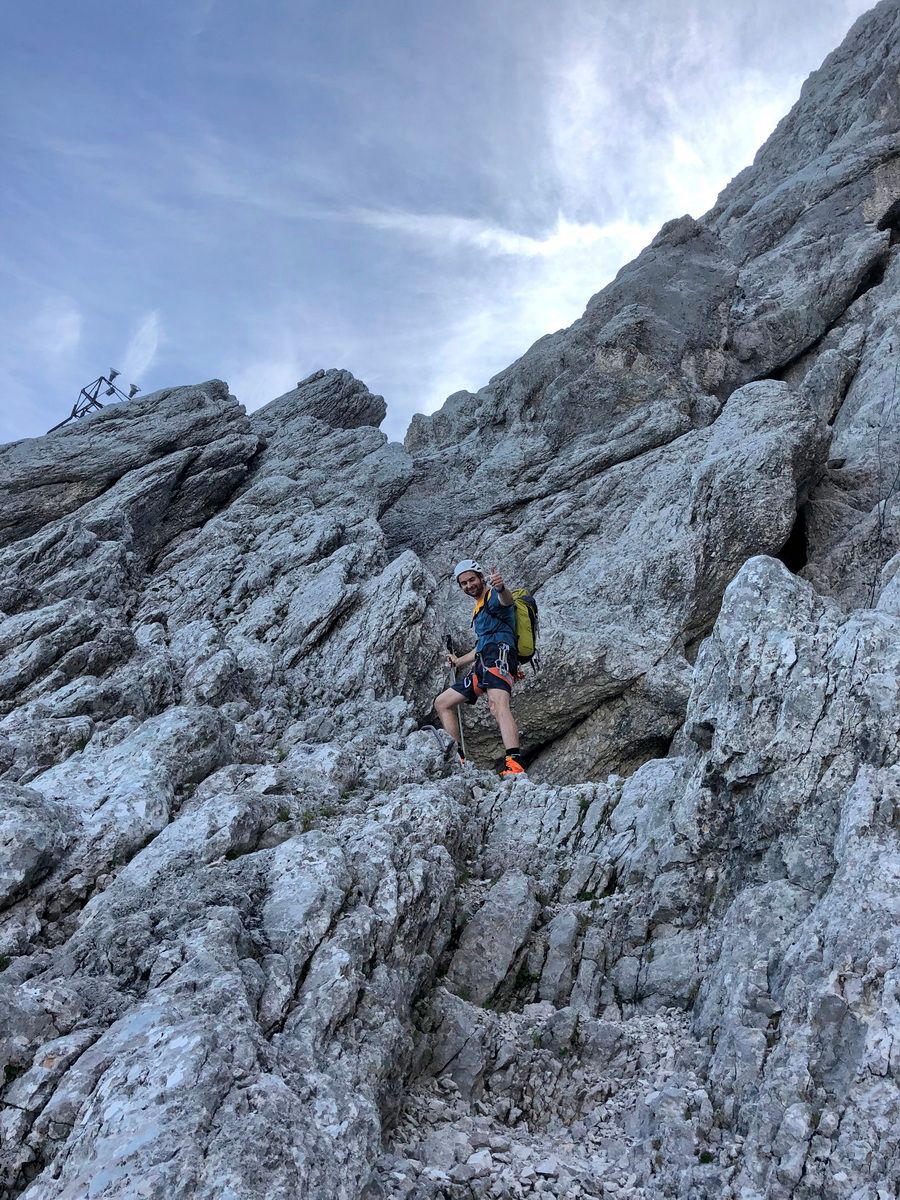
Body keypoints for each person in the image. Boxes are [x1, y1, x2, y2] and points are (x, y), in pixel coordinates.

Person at [434, 559, 526, 778]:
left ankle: (515, 764)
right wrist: (458, 661)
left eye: (471, 579)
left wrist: (501, 587)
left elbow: (506, 601)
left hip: (500, 657)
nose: (469, 585)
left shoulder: (493, 597)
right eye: (463, 583)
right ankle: (458, 757)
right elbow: (481, 646)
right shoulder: (479, 607)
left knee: (498, 705)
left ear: (480, 576)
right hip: (483, 661)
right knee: (442, 702)